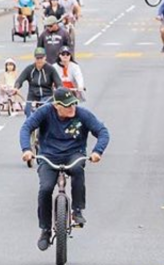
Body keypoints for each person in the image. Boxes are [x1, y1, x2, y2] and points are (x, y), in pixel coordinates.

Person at [19, 88, 109, 251]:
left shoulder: (82, 115)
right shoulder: (45, 112)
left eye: (73, 104)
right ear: (56, 105)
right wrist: (26, 149)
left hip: (74, 153)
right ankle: (45, 230)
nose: (72, 108)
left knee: (77, 169)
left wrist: (97, 151)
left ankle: (77, 211)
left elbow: (102, 131)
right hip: (49, 155)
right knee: (45, 188)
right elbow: (26, 128)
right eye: (67, 106)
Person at [14, 47, 62, 116]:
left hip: (47, 96)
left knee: (44, 110)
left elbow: (58, 82)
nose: (39, 60)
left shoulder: (51, 69)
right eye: (37, 58)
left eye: (41, 58)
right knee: (28, 111)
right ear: (34, 58)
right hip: (32, 97)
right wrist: (16, 87)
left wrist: (60, 89)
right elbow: (20, 80)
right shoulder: (29, 69)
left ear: (45, 57)